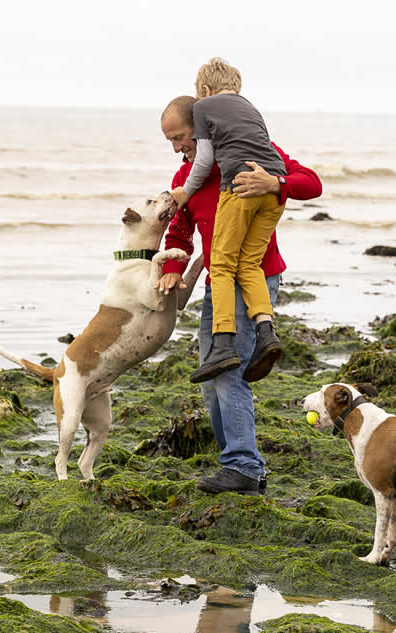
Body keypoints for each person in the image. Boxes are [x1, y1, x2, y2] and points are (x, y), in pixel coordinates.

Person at [158, 95, 322, 495]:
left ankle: (244, 467)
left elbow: (312, 183)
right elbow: (179, 232)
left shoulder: (253, 155)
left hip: (256, 278)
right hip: (219, 283)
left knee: (229, 372)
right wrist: (172, 270)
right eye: (170, 141)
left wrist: (275, 182)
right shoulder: (186, 179)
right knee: (211, 376)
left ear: (199, 126)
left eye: (179, 137)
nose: (177, 147)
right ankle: (239, 464)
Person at [169, 58, 288, 385]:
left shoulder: (204, 107)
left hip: (240, 189)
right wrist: (278, 183)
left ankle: (222, 344)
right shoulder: (250, 107)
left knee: (220, 264)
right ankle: (266, 331)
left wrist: (185, 191)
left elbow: (205, 157)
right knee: (249, 263)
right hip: (272, 188)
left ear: (205, 91)